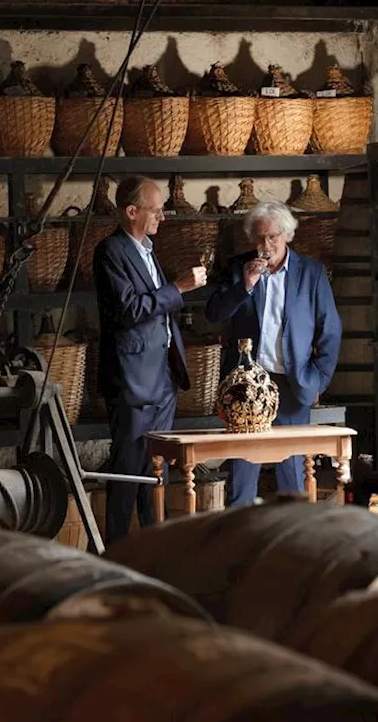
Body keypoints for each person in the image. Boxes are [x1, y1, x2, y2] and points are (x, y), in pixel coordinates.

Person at [93, 175, 208, 542]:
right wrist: (179, 288)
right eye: (156, 210)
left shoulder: (145, 249)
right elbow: (128, 309)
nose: (162, 217)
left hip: (162, 377)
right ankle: (116, 551)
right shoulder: (110, 251)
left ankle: (152, 545)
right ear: (131, 212)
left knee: (156, 470)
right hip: (133, 379)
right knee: (128, 470)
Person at [205, 199, 342, 507]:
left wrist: (317, 379)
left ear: (287, 235)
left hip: (293, 383)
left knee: (292, 474)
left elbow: (330, 330)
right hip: (245, 387)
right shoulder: (239, 268)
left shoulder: (311, 272)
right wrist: (246, 286)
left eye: (273, 237)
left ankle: (293, 545)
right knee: (242, 472)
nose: (266, 245)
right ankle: (239, 545)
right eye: (260, 238)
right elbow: (213, 314)